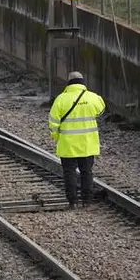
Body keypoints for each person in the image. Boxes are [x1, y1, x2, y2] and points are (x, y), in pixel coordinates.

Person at [49, 71, 106, 208]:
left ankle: (72, 201)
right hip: (87, 143)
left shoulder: (61, 99)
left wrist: (56, 137)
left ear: (68, 83)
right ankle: (87, 200)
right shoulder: (93, 98)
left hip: (68, 144)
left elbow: (53, 122)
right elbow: (101, 110)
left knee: (69, 172)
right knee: (86, 171)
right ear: (82, 82)